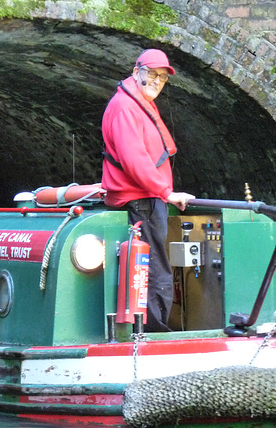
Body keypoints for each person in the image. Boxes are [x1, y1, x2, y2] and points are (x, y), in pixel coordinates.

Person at [101, 48, 194, 332]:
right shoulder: (127, 107)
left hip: (144, 199)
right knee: (152, 268)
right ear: (135, 72)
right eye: (151, 74)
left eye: (162, 77)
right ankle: (153, 332)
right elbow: (134, 160)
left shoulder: (135, 102)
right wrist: (166, 193)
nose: (156, 81)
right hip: (141, 201)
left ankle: (148, 328)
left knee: (149, 265)